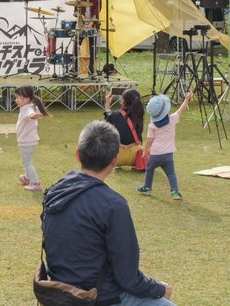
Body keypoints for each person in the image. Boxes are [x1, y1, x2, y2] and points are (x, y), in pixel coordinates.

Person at [41, 121, 174, 306]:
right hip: (98, 297)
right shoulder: (113, 206)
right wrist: (160, 289)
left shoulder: (55, 192)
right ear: (115, 160)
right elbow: (128, 278)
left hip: (59, 293)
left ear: (78, 154)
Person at [138, 92, 193, 200]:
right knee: (171, 173)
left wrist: (145, 151)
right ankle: (175, 192)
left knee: (149, 169)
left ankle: (147, 188)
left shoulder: (152, 126)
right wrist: (187, 99)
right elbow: (181, 109)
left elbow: (149, 140)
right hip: (168, 154)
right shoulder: (172, 120)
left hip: (155, 154)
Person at [14, 86, 48, 191]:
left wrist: (33, 115)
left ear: (26, 99)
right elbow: (32, 112)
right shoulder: (31, 106)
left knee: (27, 162)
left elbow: (30, 114)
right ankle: (27, 177)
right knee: (27, 161)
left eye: (17, 97)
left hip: (27, 141)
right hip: (30, 141)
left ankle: (35, 183)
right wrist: (34, 114)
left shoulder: (28, 109)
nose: (15, 100)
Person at [103, 89, 145, 168]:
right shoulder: (139, 116)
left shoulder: (114, 115)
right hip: (136, 157)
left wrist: (107, 103)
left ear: (123, 101)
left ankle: (117, 164)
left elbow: (109, 118)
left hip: (117, 157)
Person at [74, 0, 102, 75]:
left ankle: (91, 68)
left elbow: (96, 13)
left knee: (92, 47)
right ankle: (74, 67)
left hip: (93, 25)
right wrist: (80, 15)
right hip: (81, 25)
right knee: (76, 45)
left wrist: (90, 24)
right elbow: (75, 12)